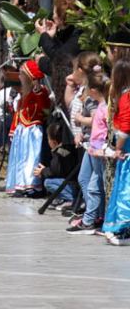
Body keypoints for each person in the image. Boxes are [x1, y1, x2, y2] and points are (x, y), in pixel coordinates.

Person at [69, 70, 111, 233]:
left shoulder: (104, 108)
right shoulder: (101, 106)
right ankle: (93, 216)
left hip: (99, 151)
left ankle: (92, 218)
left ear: (93, 91)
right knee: (87, 181)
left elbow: (105, 128)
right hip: (92, 148)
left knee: (96, 185)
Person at [5, 59, 52, 196]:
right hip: (23, 131)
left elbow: (45, 111)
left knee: (32, 158)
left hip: (33, 131)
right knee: (20, 158)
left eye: (22, 74)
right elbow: (18, 113)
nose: (19, 77)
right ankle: (20, 184)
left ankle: (32, 185)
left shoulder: (41, 93)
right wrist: (13, 129)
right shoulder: (23, 95)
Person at [35, 0, 81, 107]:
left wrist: (44, 35)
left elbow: (60, 59)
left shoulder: (78, 35)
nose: (53, 16)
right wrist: (51, 36)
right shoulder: (69, 33)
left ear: (62, 18)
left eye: (55, 13)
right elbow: (60, 50)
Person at [103, 64, 130, 245]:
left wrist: (118, 148)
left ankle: (123, 230)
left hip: (127, 150)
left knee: (126, 192)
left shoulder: (127, 96)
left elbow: (126, 127)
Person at [35, 122, 80, 206]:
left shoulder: (60, 152)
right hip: (71, 182)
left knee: (48, 182)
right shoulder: (64, 150)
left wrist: (43, 171)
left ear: (54, 142)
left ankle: (71, 199)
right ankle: (61, 198)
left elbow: (55, 171)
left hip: (72, 184)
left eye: (48, 139)